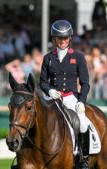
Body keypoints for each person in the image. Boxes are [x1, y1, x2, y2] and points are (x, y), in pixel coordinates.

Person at [39, 20, 90, 169]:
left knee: (82, 123)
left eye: (66, 38)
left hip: (70, 97)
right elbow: (42, 81)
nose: (63, 41)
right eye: (60, 38)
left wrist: (81, 101)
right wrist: (49, 90)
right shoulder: (48, 58)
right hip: (52, 97)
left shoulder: (79, 57)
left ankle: (82, 158)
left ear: (70, 39)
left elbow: (85, 83)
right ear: (54, 39)